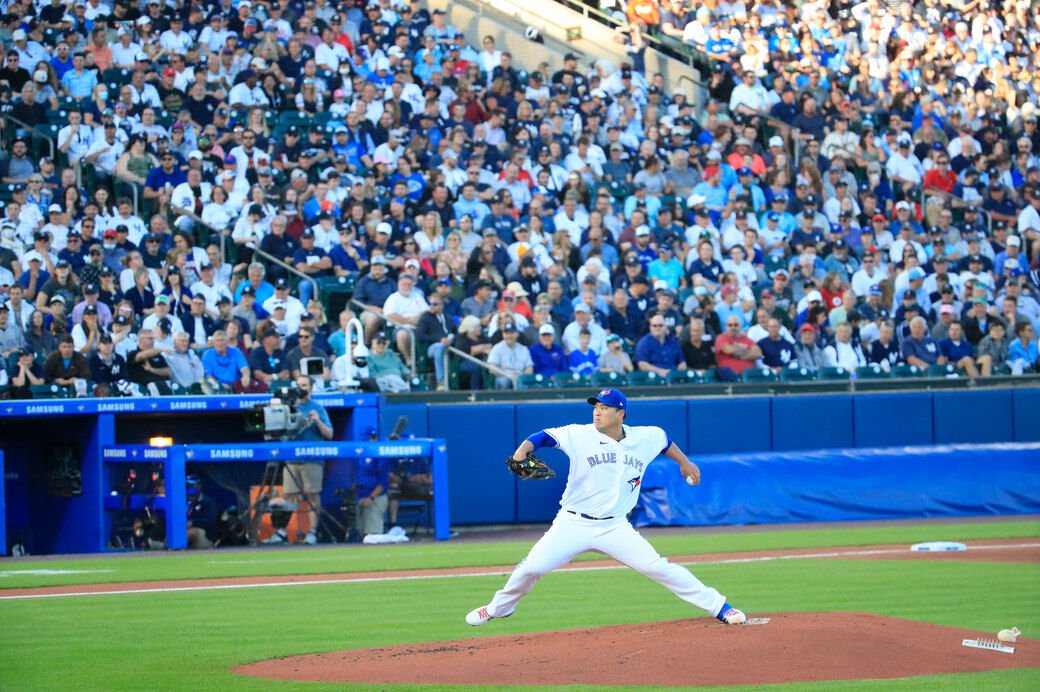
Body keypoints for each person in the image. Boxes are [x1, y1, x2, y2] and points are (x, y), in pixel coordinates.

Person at [465, 389, 746, 627]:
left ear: (621, 413)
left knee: (658, 567)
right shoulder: (578, 434)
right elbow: (541, 437)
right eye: (596, 407)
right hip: (572, 524)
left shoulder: (647, 437)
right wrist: (521, 452)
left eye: (605, 408)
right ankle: (498, 608)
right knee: (531, 568)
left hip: (615, 526)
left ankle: (720, 607)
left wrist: (684, 462)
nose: (597, 412)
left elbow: (665, 443)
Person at [265, 376, 333, 545]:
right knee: (288, 495)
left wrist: (316, 420)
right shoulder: (288, 406)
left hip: (312, 457)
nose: (301, 388)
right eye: (299, 385)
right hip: (291, 457)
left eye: (304, 385)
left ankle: (311, 532)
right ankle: (281, 532)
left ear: (311, 388)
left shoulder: (318, 408)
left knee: (312, 494)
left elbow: (329, 435)